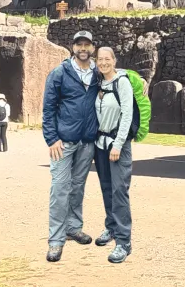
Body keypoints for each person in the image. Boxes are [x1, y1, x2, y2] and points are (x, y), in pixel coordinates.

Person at [42, 30, 101, 263]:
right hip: (63, 141)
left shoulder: (99, 73)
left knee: (78, 186)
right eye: (79, 44)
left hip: (87, 140)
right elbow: (48, 109)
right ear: (72, 47)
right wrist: (51, 138)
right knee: (59, 189)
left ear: (93, 48)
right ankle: (56, 240)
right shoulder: (60, 73)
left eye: (87, 44)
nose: (83, 48)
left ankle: (73, 227)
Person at [92, 47, 135, 264]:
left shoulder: (122, 82)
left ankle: (124, 241)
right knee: (107, 188)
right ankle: (111, 227)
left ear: (114, 60)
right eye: (100, 59)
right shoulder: (99, 84)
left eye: (107, 59)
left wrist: (118, 144)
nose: (103, 62)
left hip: (118, 145)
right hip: (101, 144)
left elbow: (127, 114)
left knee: (119, 191)